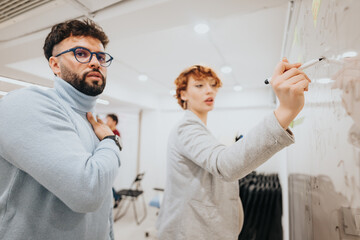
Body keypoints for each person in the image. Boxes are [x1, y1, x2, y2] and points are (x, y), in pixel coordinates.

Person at [156, 62, 311, 239]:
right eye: (199, 85)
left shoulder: (199, 129)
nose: (209, 91)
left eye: (212, 85)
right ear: (183, 94)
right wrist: (285, 110)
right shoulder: (186, 128)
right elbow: (225, 164)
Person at [0, 19, 122, 240]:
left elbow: (102, 205)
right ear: (55, 65)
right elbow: (88, 192)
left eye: (101, 57)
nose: (95, 62)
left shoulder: (92, 122)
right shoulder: (26, 104)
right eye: (81, 53)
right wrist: (111, 142)